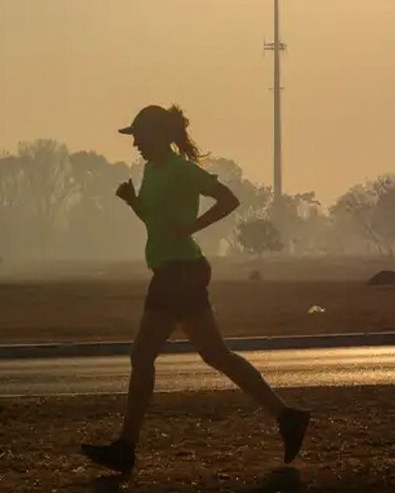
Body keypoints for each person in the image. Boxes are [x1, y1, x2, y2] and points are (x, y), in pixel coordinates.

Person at [79, 104, 310, 475]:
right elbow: (156, 220)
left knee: (142, 357)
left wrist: (195, 227)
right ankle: (286, 416)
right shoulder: (151, 171)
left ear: (157, 135)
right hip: (177, 269)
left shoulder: (182, 170)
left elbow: (229, 199)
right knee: (216, 354)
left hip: (178, 273)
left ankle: (126, 447)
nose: (134, 142)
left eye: (138, 135)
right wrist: (133, 202)